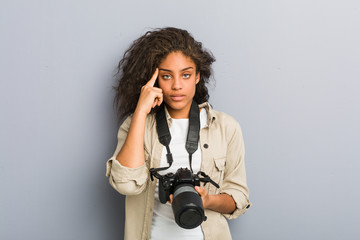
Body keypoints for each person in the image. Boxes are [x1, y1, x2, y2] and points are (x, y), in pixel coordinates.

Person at [106, 27, 251, 240]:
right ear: (154, 80)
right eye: (166, 76)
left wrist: (207, 201)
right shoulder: (137, 125)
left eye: (185, 75)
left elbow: (239, 198)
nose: (176, 85)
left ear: (197, 76)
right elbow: (126, 184)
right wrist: (140, 111)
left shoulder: (225, 127)